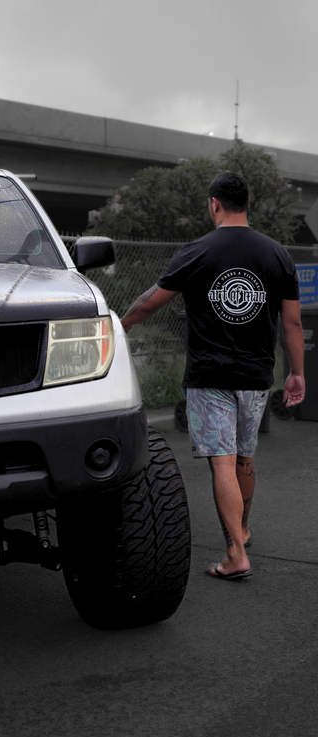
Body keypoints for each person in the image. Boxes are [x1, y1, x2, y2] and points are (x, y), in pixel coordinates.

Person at [121, 171, 305, 581]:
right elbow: (292, 325)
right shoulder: (278, 254)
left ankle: (236, 553)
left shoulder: (196, 251)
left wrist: (123, 324)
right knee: (244, 456)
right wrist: (296, 374)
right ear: (247, 204)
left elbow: (151, 302)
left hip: (210, 375)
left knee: (221, 462)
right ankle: (242, 528)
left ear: (214, 204)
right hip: (257, 375)